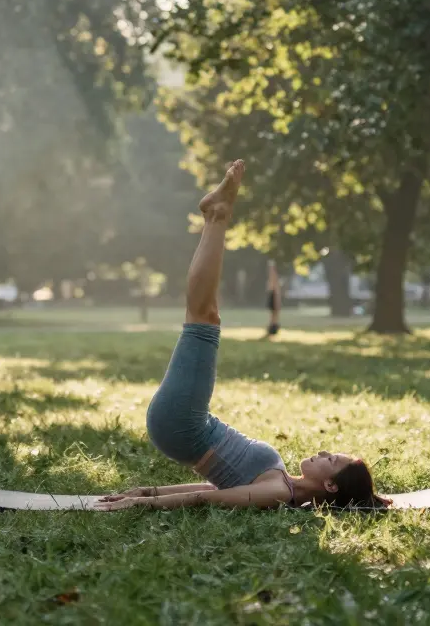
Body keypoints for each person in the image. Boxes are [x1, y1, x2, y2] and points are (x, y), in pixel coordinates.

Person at [96, 160, 389, 511]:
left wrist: (141, 506)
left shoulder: (278, 494)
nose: (325, 451)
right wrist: (148, 491)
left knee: (203, 319)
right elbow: (210, 482)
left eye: (332, 459)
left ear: (329, 484)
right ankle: (215, 216)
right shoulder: (282, 481)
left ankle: (218, 216)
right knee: (203, 317)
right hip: (187, 425)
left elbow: (209, 498)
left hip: (183, 426)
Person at [265, 260, 281, 336]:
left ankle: (272, 328)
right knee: (274, 313)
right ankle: (272, 328)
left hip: (274, 295)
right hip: (274, 295)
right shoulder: (273, 286)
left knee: (274, 313)